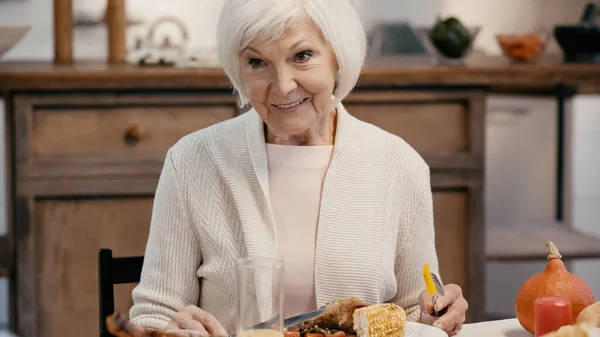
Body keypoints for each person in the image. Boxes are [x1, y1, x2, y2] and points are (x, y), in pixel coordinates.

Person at [128, 0, 469, 335]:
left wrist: (435, 316)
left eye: (302, 56)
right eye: (257, 62)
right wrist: (173, 331)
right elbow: (154, 317)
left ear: (338, 55)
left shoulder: (399, 164)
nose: (284, 85)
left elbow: (412, 312)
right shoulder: (192, 160)